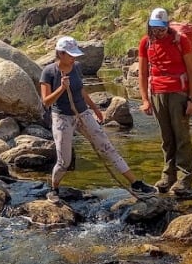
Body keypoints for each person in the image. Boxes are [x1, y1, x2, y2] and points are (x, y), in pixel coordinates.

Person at [41, 36, 156, 202]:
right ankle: (54, 189)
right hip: (62, 117)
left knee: (107, 147)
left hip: (83, 114)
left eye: (75, 55)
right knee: (64, 160)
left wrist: (95, 109)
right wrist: (61, 88)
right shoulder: (49, 72)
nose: (74, 58)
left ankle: (135, 183)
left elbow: (81, 90)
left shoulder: (76, 67)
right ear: (60, 54)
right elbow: (46, 102)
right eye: (70, 55)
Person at [138, 7, 192, 195]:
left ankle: (184, 179)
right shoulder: (145, 42)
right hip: (157, 93)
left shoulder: (181, 41)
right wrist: (145, 100)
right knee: (166, 138)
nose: (157, 32)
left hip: (178, 93)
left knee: (181, 137)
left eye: (161, 29)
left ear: (167, 26)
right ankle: (168, 176)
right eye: (154, 28)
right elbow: (143, 72)